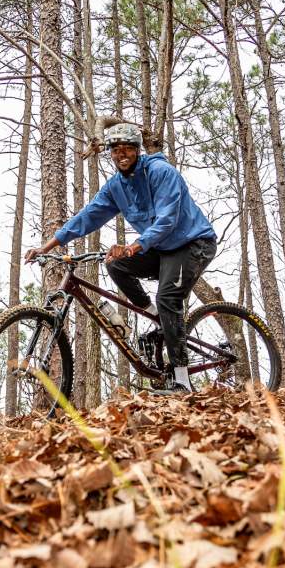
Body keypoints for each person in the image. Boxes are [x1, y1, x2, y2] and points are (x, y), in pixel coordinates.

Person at [25, 123, 217, 394]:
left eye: (127, 148)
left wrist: (135, 246)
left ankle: (183, 382)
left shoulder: (162, 173)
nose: (121, 154)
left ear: (138, 150)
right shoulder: (116, 187)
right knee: (115, 264)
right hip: (161, 249)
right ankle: (156, 317)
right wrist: (48, 246)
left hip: (193, 243)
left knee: (168, 298)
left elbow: (167, 220)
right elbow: (88, 216)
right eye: (115, 150)